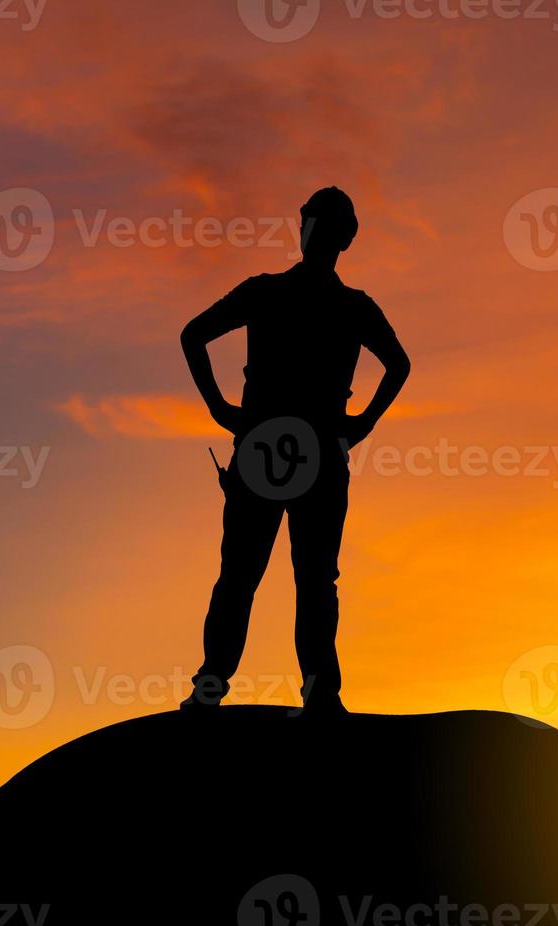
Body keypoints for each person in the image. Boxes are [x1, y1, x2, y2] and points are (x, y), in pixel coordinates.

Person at [179, 186, 411, 716]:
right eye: (312, 221)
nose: (316, 232)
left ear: (343, 238)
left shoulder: (338, 304)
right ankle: (224, 686)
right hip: (279, 450)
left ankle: (308, 690)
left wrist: (361, 425)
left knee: (297, 576)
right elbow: (193, 335)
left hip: (297, 452)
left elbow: (399, 364)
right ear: (303, 226)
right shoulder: (286, 295)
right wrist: (220, 408)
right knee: (256, 574)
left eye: (326, 225)